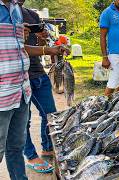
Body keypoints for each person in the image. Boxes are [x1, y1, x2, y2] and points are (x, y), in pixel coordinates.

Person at [0, 0, 68, 178]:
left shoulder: (15, 9)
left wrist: (49, 49)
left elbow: (19, 48)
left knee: (15, 146)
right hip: (2, 94)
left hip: (22, 89)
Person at [18, 0, 56, 173]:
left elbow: (40, 47)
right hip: (18, 75)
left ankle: (47, 147)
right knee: (22, 120)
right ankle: (31, 156)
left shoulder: (33, 15)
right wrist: (46, 50)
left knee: (50, 114)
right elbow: (15, 49)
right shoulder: (6, 15)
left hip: (38, 72)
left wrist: (43, 40)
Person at [100, 0, 119, 97]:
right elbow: (102, 36)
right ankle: (103, 107)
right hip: (114, 54)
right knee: (112, 84)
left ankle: (118, 105)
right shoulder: (107, 13)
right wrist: (105, 57)